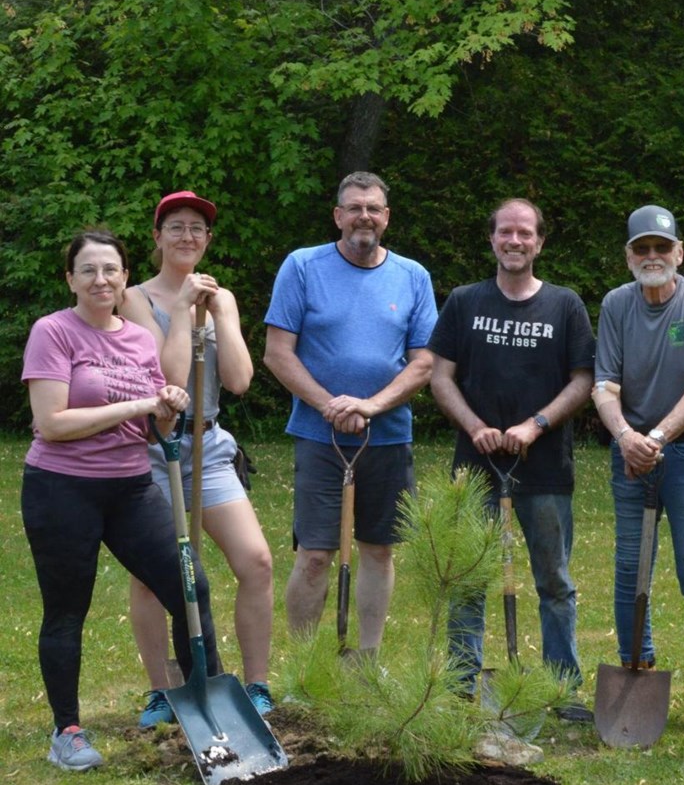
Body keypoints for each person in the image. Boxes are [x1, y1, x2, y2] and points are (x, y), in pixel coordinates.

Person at [21, 230, 222, 771]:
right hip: (62, 489)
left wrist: (168, 406)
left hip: (131, 487)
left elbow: (157, 419)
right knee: (67, 610)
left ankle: (209, 713)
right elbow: (52, 423)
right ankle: (67, 732)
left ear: (125, 277)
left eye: (110, 269)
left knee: (190, 588)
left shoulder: (137, 338)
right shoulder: (53, 332)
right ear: (70, 279)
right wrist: (138, 403)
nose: (100, 279)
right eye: (87, 270)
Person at [429, 198, 595, 720]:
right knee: (469, 579)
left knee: (554, 582)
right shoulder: (463, 301)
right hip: (475, 468)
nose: (515, 241)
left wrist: (536, 425)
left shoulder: (565, 305)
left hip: (544, 469)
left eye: (525, 233)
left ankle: (561, 690)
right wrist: (475, 427)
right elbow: (439, 376)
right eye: (506, 232)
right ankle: (461, 687)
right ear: (492, 240)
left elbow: (584, 380)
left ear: (540, 243)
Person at [263, 171, 437, 657]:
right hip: (320, 437)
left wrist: (371, 405)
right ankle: (303, 669)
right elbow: (278, 353)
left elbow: (424, 362)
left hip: (387, 436)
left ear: (387, 218)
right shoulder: (302, 267)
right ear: (338, 216)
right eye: (355, 207)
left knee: (378, 550)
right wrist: (329, 405)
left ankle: (367, 660)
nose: (365, 216)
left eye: (374, 208)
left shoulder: (412, 276)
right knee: (316, 555)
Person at [120, 191, 276, 726]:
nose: (188, 237)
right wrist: (184, 309)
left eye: (198, 229)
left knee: (256, 562)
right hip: (154, 447)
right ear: (157, 237)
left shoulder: (221, 298)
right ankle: (162, 691)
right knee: (149, 574)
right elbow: (165, 379)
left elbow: (238, 379)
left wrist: (217, 313)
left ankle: (255, 685)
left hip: (208, 447)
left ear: (208, 240)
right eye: (177, 227)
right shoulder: (135, 298)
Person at [591, 204, 684, 736]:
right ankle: (637, 668)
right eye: (641, 249)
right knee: (631, 569)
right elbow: (604, 384)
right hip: (630, 453)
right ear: (629, 256)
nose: (652, 257)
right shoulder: (615, 304)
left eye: (662, 247)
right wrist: (626, 437)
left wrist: (653, 438)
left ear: (679, 253)